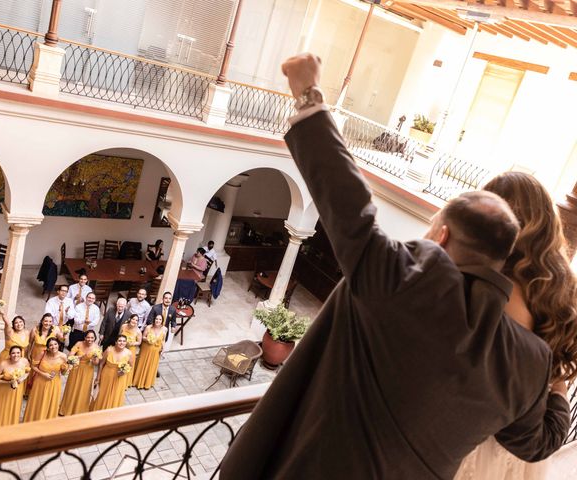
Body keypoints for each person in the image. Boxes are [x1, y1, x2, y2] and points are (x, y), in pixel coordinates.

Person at [220, 54, 570, 479]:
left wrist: (309, 93)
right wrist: (554, 388)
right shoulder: (530, 359)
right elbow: (537, 442)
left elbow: (348, 200)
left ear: (442, 237)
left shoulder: (404, 281)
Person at [455, 172, 577, 479]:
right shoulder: (555, 295)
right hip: (517, 458)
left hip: (465, 444)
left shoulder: (481, 288)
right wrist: (558, 387)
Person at [23, 337, 68, 422]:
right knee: (37, 401)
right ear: (47, 347)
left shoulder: (63, 356)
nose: (53, 347)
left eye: (55, 344)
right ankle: (33, 420)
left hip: (54, 384)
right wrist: (43, 374)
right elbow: (33, 366)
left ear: (58, 345)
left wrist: (66, 368)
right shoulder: (42, 353)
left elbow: (63, 373)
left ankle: (46, 422)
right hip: (40, 382)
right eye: (50, 345)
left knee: (50, 403)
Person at [0, 345, 30, 428]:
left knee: (13, 409)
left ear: (21, 353)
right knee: (0, 409)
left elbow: (27, 371)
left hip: (17, 390)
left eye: (18, 353)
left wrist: (22, 378)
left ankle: (10, 427)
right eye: (13, 353)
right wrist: (8, 382)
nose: (16, 355)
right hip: (2, 390)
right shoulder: (3, 364)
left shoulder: (24, 361)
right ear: (9, 354)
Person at [59, 329, 101, 416]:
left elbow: (96, 363)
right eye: (88, 337)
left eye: (92, 338)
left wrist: (94, 359)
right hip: (76, 369)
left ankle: (79, 410)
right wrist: (81, 357)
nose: (90, 339)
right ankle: (66, 409)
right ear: (85, 337)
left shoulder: (96, 347)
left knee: (84, 390)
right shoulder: (79, 343)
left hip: (88, 370)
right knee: (72, 388)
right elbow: (70, 356)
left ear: (94, 338)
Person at [91, 335, 133, 411]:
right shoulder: (109, 350)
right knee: (103, 393)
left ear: (126, 342)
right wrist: (98, 378)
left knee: (115, 394)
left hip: (119, 377)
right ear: (116, 342)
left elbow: (131, 366)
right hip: (107, 375)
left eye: (124, 341)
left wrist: (124, 372)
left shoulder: (129, 353)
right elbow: (101, 364)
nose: (121, 343)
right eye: (120, 341)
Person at [132, 315, 166, 389]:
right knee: (142, 364)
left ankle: (147, 383)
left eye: (160, 319)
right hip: (146, 350)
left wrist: (163, 350)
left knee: (151, 366)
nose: (158, 321)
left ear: (162, 321)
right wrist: (147, 339)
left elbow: (163, 340)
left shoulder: (164, 330)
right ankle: (137, 382)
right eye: (156, 319)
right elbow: (143, 337)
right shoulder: (148, 327)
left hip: (155, 352)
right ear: (154, 320)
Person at [119, 314, 142, 388]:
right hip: (122, 348)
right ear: (130, 319)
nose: (134, 321)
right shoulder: (124, 326)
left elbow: (139, 342)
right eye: (133, 319)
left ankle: (125, 383)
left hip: (131, 349)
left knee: (128, 365)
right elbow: (119, 335)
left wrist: (133, 343)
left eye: (136, 320)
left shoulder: (138, 331)